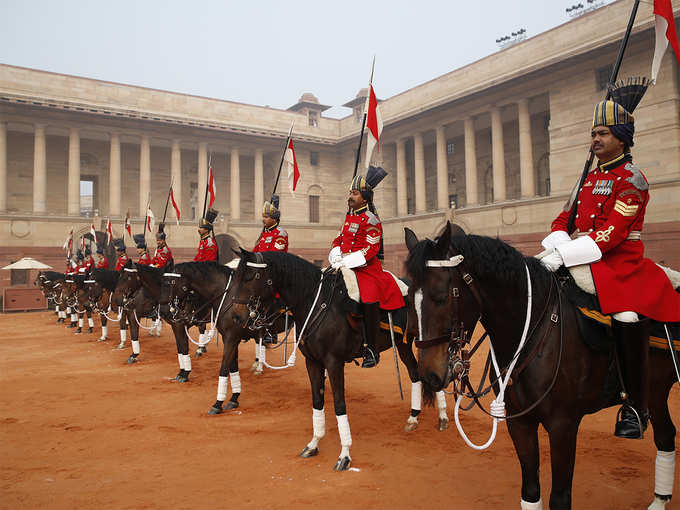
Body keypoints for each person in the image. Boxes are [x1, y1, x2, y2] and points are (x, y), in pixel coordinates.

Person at [540, 79, 680, 439]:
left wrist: (562, 254)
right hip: (582, 257)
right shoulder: (586, 181)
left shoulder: (633, 179)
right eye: (593, 134)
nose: (596, 139)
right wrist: (557, 244)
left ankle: (635, 405)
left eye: (603, 133)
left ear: (622, 136)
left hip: (622, 264)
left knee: (626, 314)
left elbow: (609, 236)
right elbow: (562, 220)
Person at [328, 166, 405, 368]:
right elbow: (338, 240)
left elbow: (370, 249)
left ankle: (371, 348)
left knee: (369, 299)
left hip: (367, 269)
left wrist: (347, 261)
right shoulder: (348, 217)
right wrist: (336, 255)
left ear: (364, 197)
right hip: (344, 265)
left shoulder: (371, 219)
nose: (350, 196)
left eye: (354, 193)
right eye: (350, 193)